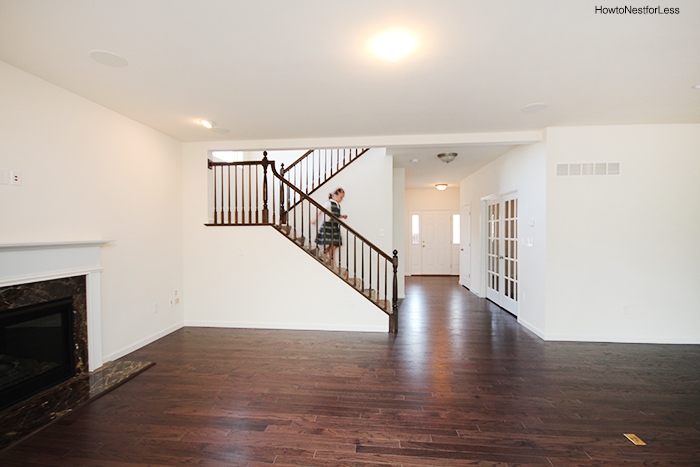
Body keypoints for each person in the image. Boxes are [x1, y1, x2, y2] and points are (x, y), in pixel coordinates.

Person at [313, 188, 347, 266]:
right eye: (340, 197)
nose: (341, 199)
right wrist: (315, 219)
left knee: (335, 244)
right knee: (333, 243)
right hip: (328, 225)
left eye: (342, 198)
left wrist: (342, 216)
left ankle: (325, 252)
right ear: (335, 195)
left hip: (334, 226)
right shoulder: (329, 203)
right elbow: (320, 210)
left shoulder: (337, 205)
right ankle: (332, 262)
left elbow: (335, 215)